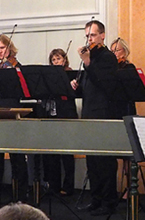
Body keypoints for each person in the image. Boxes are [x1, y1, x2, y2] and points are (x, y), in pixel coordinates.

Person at [73, 20, 120, 216]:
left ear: (102, 35)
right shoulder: (90, 57)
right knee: (92, 160)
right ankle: (96, 198)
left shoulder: (108, 57)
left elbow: (104, 84)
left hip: (103, 113)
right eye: (87, 36)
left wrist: (87, 62)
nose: (89, 39)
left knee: (104, 161)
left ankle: (109, 202)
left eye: (92, 35)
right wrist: (77, 86)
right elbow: (89, 87)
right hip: (89, 113)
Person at [0, 34, 29, 202]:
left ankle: (20, 196)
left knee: (17, 159)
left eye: (2, 48)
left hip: (13, 116)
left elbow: (24, 92)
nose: (0, 51)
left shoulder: (17, 68)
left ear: (9, 48)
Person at [42, 48, 77, 196]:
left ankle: (68, 186)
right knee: (52, 154)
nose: (56, 62)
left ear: (64, 60)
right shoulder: (48, 76)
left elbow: (75, 93)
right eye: (53, 60)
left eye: (59, 59)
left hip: (66, 116)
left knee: (67, 154)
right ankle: (54, 185)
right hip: (52, 116)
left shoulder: (69, 74)